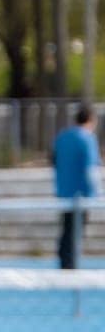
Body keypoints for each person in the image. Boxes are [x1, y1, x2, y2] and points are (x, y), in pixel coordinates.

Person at [54, 104, 101, 269]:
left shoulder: (62, 137)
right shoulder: (87, 139)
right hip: (81, 194)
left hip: (63, 191)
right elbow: (90, 168)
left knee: (67, 228)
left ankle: (64, 261)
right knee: (76, 231)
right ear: (91, 120)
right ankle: (70, 265)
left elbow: (54, 162)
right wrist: (97, 193)